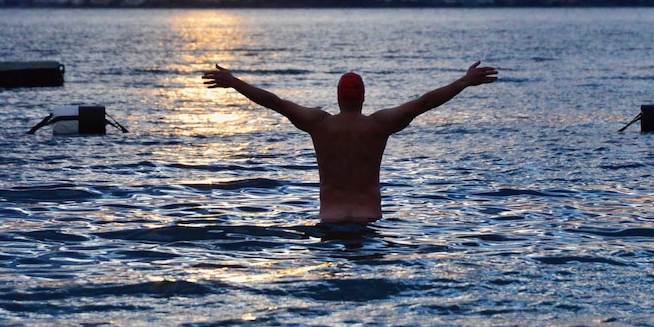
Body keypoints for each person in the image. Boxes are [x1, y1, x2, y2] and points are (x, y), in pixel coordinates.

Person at [201, 61, 498, 223]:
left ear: (338, 96)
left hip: (330, 221)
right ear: (363, 96)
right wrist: (462, 81)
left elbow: (274, 102)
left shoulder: (319, 124)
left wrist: (234, 82)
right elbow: (422, 104)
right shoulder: (378, 126)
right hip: (370, 221)